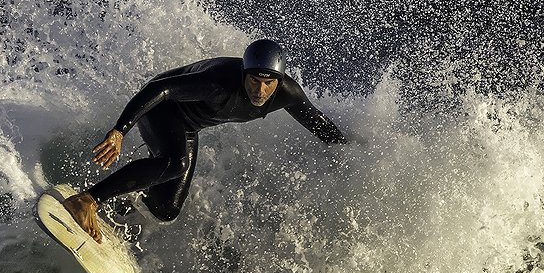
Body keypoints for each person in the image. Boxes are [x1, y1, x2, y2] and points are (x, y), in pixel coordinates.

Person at [62, 39, 347, 242]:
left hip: (187, 127)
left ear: (279, 80)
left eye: (268, 83)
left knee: (166, 209)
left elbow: (319, 124)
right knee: (175, 163)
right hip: (161, 109)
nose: (260, 90)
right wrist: (120, 130)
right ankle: (87, 199)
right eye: (253, 80)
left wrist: (349, 151)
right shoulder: (217, 83)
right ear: (244, 74)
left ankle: (117, 206)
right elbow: (159, 89)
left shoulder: (288, 94)